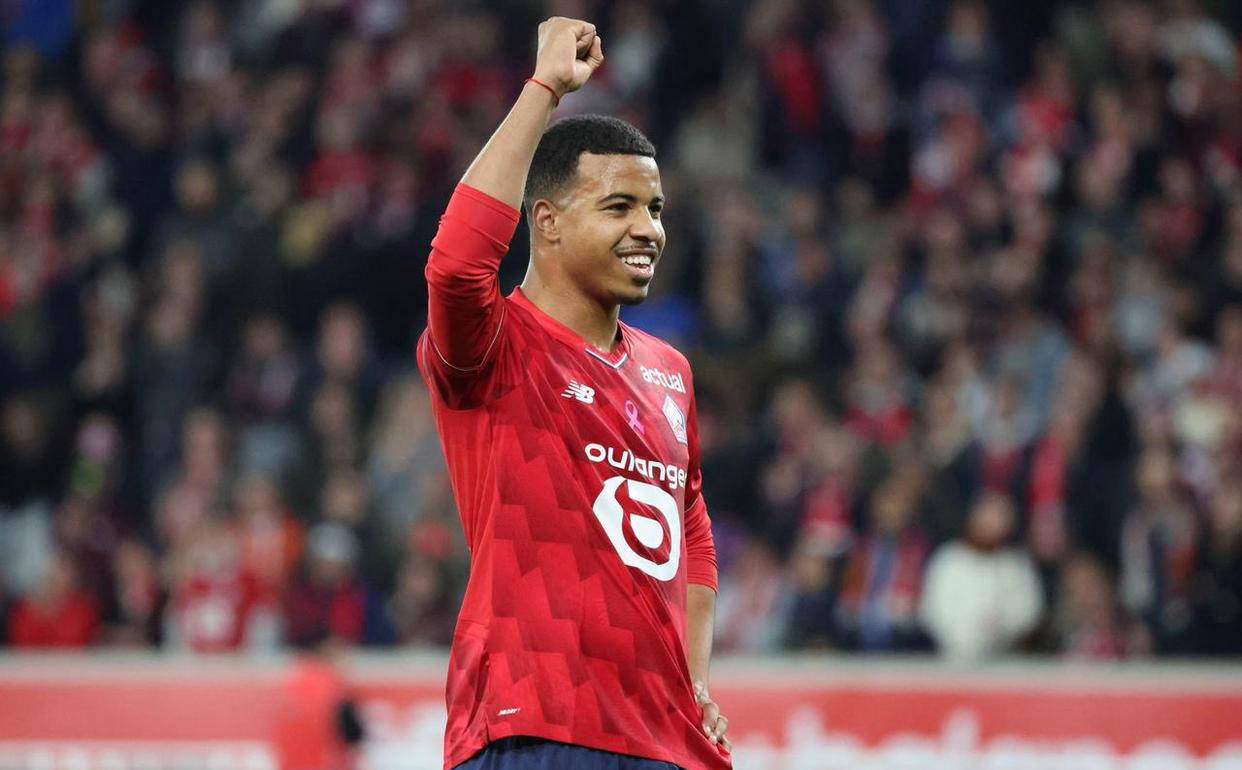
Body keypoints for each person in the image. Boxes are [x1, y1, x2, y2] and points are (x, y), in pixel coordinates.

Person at [416, 16, 730, 770]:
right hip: (537, 726)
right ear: (548, 223)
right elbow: (456, 267)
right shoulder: (496, 347)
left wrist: (693, 683)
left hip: (667, 744)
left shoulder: (670, 372)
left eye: (655, 209)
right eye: (619, 207)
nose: (648, 230)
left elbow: (691, 531)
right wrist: (543, 89)